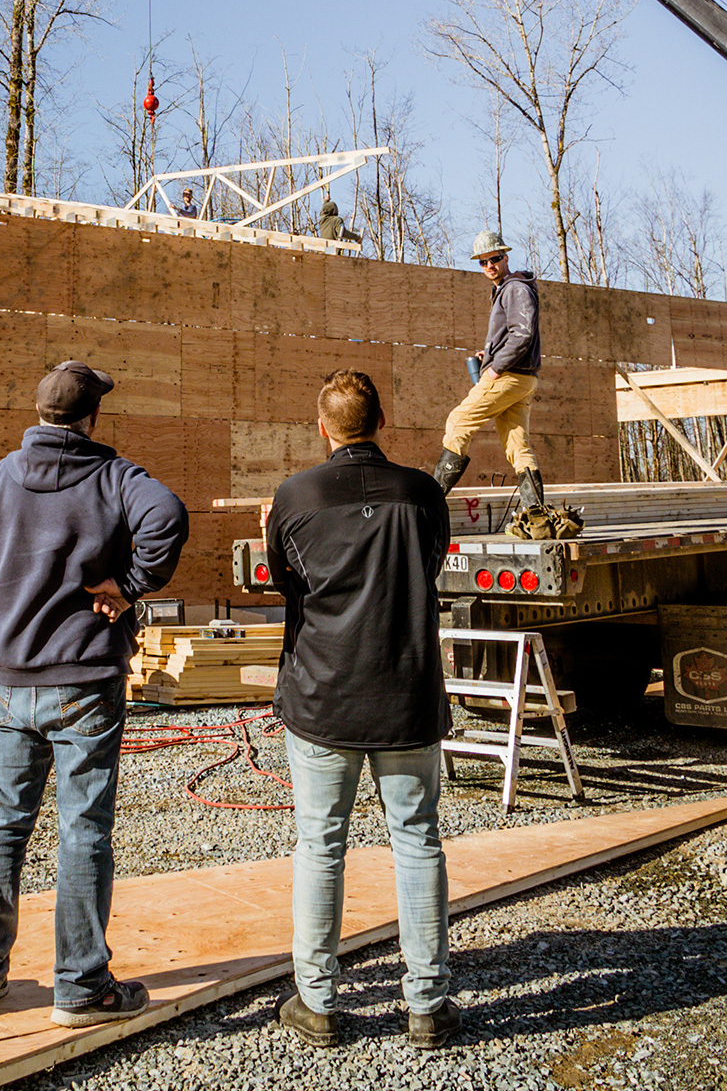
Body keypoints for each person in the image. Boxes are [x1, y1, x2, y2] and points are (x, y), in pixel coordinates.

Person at [0, 360, 189, 1026]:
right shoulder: (115, 477)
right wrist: (130, 585)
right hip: (84, 682)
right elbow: (167, 515)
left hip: (10, 681)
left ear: (41, 415)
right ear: (92, 419)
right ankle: (82, 988)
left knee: (3, 820)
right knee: (83, 828)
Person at [266, 369, 459, 1051]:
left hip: (323, 696)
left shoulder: (295, 497)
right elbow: (431, 566)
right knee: (418, 840)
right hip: (405, 692)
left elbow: (283, 581)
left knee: (320, 847)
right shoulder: (421, 492)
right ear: (383, 424)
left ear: (322, 428)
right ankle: (426, 1005)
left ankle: (317, 1003)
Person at [433, 230, 543, 511]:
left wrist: (496, 367)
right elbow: (516, 335)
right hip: (521, 378)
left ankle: (431, 503)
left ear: (505, 257)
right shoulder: (509, 289)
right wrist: (490, 354)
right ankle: (536, 513)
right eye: (483, 262)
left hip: (509, 376)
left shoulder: (515, 288)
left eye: (494, 259)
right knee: (518, 446)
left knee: (458, 421)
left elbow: (523, 334)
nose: (489, 266)